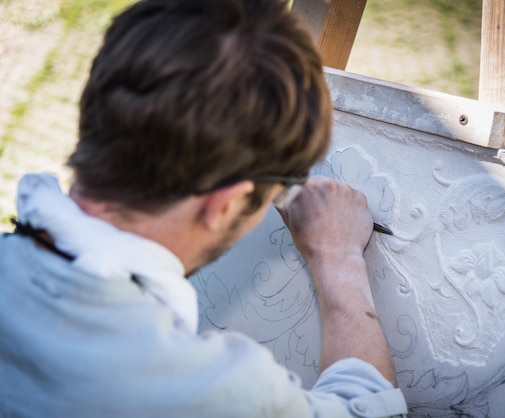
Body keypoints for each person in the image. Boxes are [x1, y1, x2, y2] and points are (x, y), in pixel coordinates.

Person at [0, 0, 408, 416]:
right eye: (280, 192)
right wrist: (337, 256)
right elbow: (368, 409)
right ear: (225, 204)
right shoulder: (203, 391)